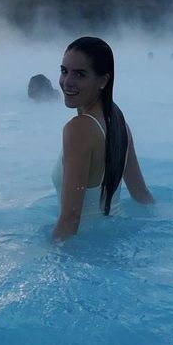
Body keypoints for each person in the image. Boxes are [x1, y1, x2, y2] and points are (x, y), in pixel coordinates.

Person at [52, 36, 153, 240]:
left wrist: (51, 258)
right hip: (115, 237)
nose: (67, 82)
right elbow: (141, 194)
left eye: (80, 74)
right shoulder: (117, 121)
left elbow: (71, 217)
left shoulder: (79, 129)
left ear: (103, 81)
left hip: (87, 248)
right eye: (64, 71)